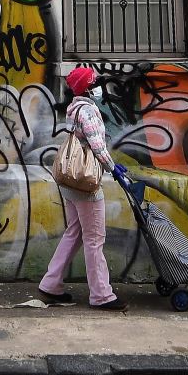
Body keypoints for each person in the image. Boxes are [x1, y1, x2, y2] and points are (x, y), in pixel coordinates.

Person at [37, 65, 127, 311]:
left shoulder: (74, 109)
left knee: (74, 232)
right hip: (86, 184)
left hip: (71, 182)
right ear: (87, 88)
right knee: (95, 238)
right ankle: (101, 295)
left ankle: (51, 284)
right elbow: (98, 147)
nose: (98, 85)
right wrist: (113, 168)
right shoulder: (87, 111)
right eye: (95, 82)